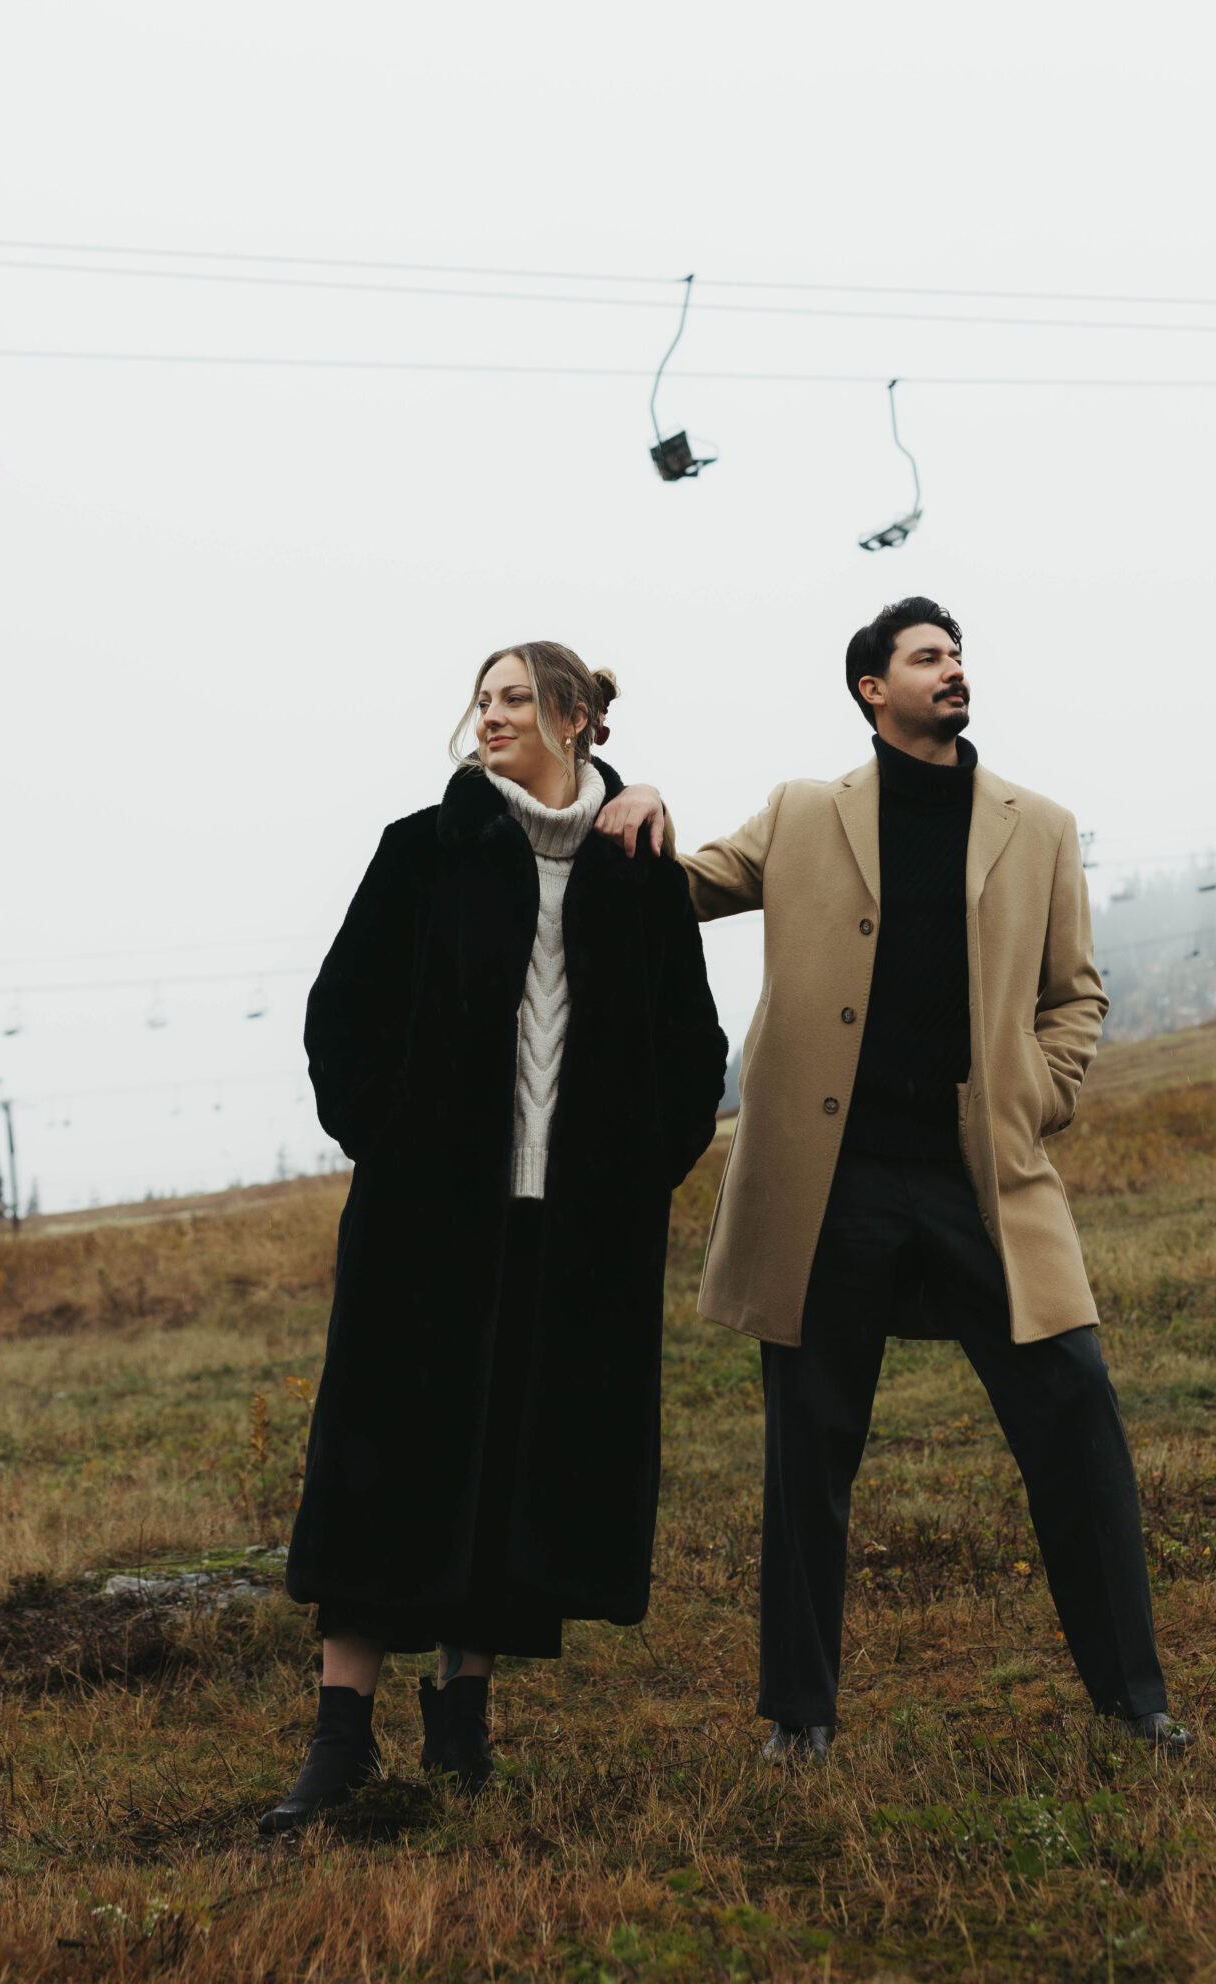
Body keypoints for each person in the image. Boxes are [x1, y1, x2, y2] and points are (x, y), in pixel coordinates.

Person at [599, 597, 1181, 1763]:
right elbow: (680, 887)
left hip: (984, 1177)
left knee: (1076, 1420)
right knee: (808, 1453)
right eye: (927, 657)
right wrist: (637, 796)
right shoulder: (806, 813)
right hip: (829, 1186)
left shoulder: (1039, 825)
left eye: (957, 654)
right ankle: (798, 1718)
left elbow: (1075, 993)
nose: (952, 669)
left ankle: (1134, 1697)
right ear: (872, 686)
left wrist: (1036, 1091)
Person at [263, 644, 727, 1833]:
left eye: (516, 698)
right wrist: (395, 1141)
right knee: (385, 1463)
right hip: (425, 1227)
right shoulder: (422, 848)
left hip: (570, 1235)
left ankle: (461, 1725)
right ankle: (338, 1742)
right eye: (482, 701)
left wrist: (634, 1178)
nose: (492, 717)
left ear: (575, 718)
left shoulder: (635, 865)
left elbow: (692, 1047)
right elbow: (340, 1015)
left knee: (513, 1460)